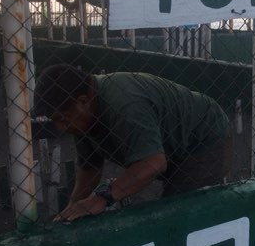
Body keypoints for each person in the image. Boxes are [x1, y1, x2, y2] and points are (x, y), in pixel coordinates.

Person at [35, 64, 231, 222]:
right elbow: (90, 167)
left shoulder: (124, 105)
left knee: (178, 214)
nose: (60, 128)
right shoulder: (82, 119)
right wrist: (73, 208)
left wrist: (101, 199)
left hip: (203, 136)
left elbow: (153, 162)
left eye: (63, 118)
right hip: (174, 141)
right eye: (55, 121)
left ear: (83, 101)